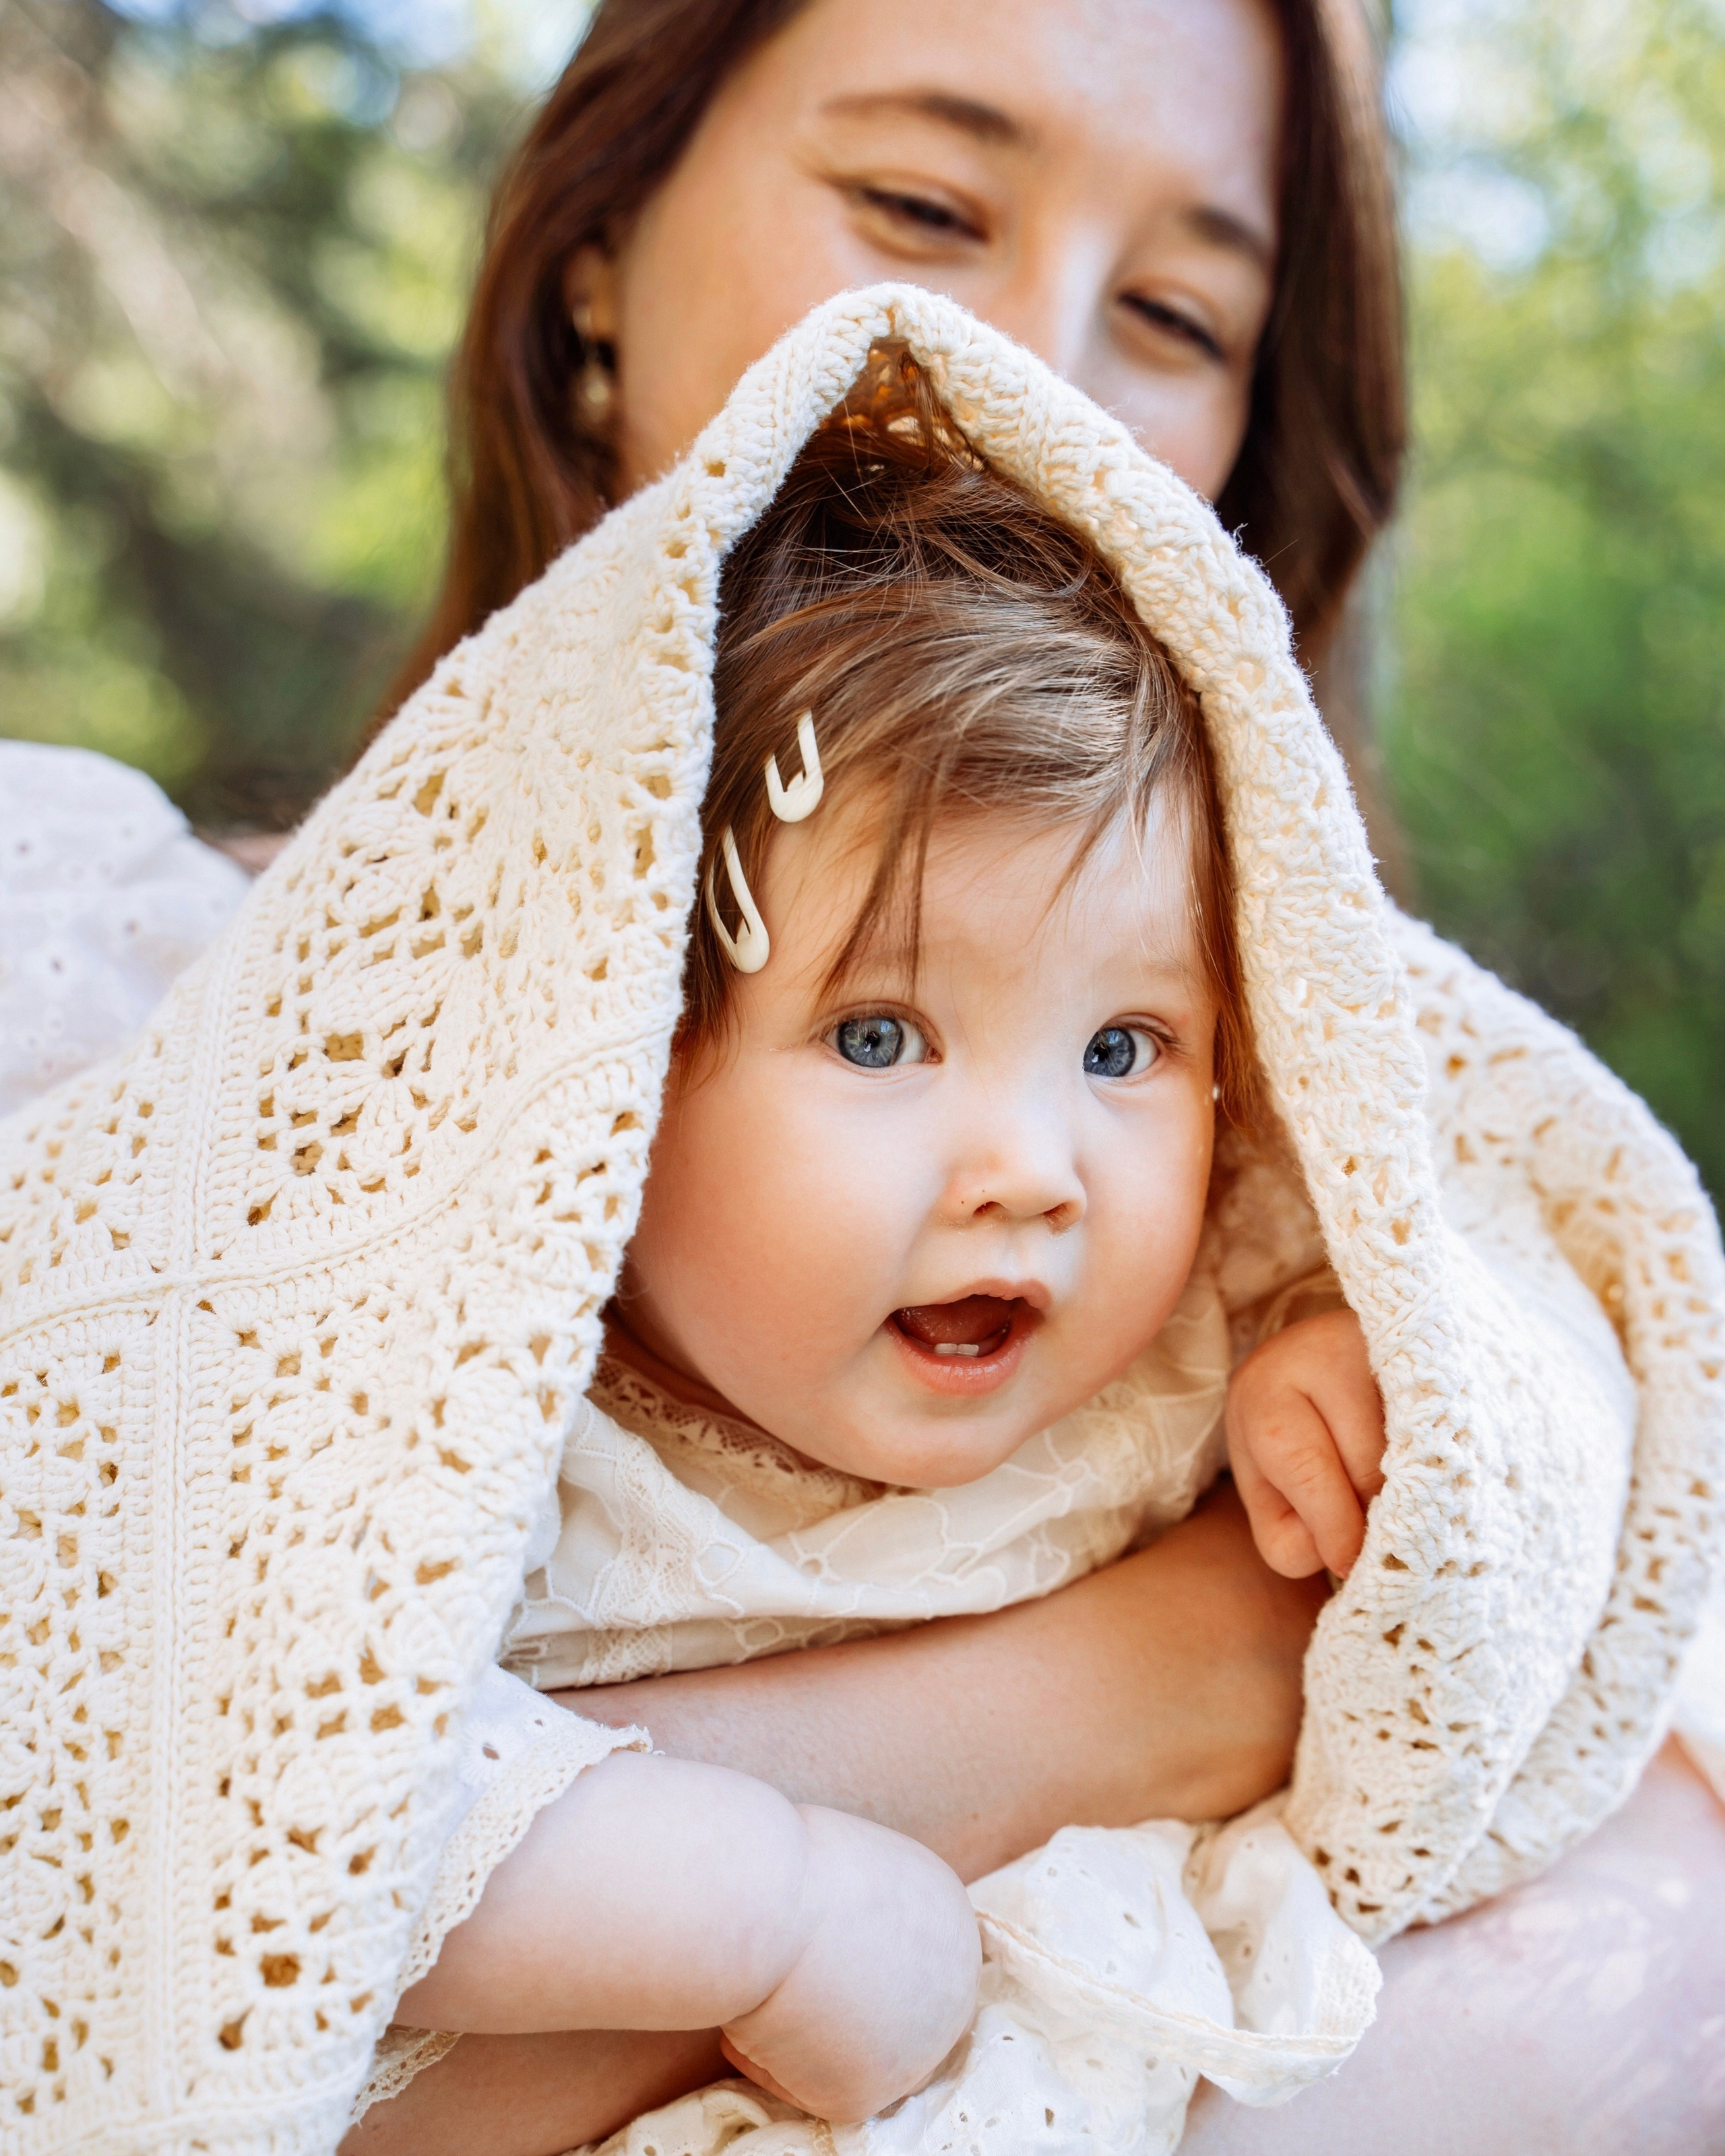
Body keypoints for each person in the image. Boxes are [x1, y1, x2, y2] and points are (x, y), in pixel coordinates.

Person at [323, 2, 1722, 2151]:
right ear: (595, 246)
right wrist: (1155, 1696)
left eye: (1176, 308)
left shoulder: (1278, 1153)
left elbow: (1590, 1620)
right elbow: (176, 1868)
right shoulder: (242, 1158)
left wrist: (1383, 1385)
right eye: (920, 205)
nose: (1043, 370)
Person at [365, 358, 1403, 2148]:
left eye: (1120, 1052)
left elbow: (1479, 1352)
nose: (1035, 1171)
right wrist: (771, 1902)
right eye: (877, 1037)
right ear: (607, 1068)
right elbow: (256, 1786)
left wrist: (1335, 1346)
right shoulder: (485, 1420)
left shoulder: (1183, 1328)